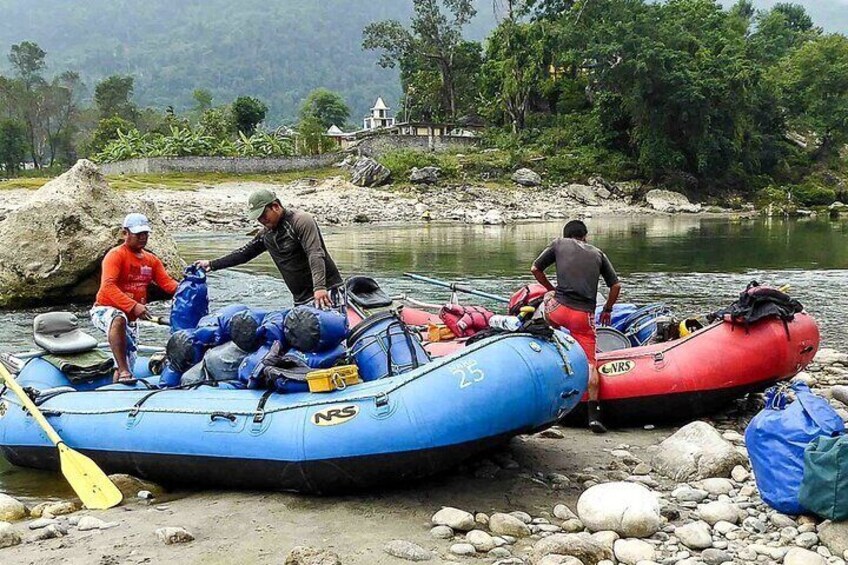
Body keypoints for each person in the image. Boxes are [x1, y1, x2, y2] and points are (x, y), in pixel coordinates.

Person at [531, 219, 622, 433]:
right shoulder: (598, 254)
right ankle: (593, 416)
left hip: (558, 310)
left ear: (566, 234)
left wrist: (551, 288)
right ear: (585, 236)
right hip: (583, 316)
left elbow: (535, 268)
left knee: (545, 306)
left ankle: (545, 348)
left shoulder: (558, 244)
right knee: (591, 363)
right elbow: (616, 285)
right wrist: (607, 309)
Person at [194, 189, 343, 308]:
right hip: (301, 300)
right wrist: (212, 264)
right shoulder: (266, 235)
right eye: (258, 218)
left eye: (263, 215)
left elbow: (315, 253)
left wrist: (320, 287)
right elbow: (244, 254)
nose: (262, 221)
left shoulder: (301, 221)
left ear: (276, 206)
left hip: (327, 290)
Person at [91, 213, 179, 381]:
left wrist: (189, 287)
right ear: (125, 233)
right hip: (104, 310)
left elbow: (167, 283)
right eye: (138, 234)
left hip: (132, 319)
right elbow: (108, 286)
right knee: (118, 318)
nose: (143, 237)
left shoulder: (151, 260)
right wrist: (133, 306)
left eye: (145, 234)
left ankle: (120, 379)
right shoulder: (115, 255)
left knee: (128, 362)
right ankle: (123, 371)